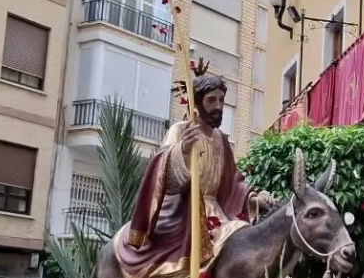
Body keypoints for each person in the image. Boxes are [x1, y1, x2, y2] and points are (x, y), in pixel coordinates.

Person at [111, 70, 276, 278]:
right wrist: (183, 151)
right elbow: (162, 170)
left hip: (216, 214)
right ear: (197, 102)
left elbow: (234, 182)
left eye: (221, 100)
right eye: (211, 100)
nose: (218, 106)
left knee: (240, 238)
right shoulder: (180, 131)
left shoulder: (221, 140)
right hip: (183, 211)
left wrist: (254, 197)